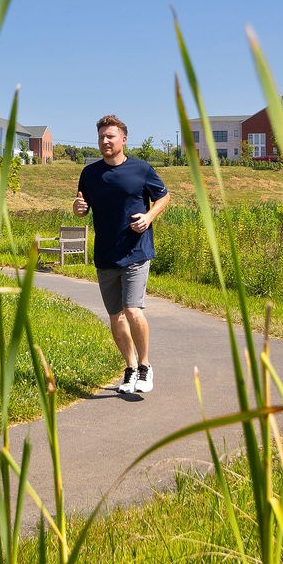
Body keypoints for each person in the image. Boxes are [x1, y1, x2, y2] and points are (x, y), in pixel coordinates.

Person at [73, 114, 170, 395]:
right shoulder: (90, 174)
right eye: (102, 136)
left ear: (123, 139)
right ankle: (129, 369)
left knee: (132, 309)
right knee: (115, 316)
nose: (105, 140)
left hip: (136, 251)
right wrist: (78, 210)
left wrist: (150, 216)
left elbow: (164, 196)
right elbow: (82, 207)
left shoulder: (141, 170)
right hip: (105, 254)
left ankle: (145, 366)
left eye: (110, 136)